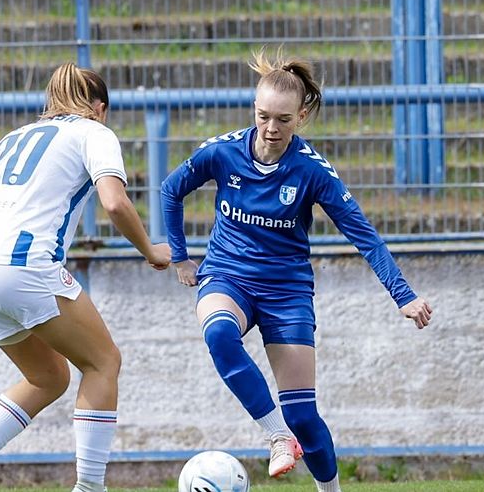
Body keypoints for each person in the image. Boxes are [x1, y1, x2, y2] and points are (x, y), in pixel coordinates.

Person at [160, 48, 433, 491]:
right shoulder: (222, 153)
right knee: (219, 334)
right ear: (254, 108)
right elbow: (171, 190)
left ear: (301, 117)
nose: (271, 128)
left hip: (286, 291)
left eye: (283, 120)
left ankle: (329, 487)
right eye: (263, 116)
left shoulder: (311, 170)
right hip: (227, 275)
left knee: (303, 415)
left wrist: (404, 295)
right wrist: (180, 256)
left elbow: (363, 234)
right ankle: (276, 436)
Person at [0, 62, 172, 492]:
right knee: (103, 362)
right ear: (99, 108)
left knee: (48, 377)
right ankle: (90, 487)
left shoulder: (12, 139)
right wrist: (152, 250)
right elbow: (115, 203)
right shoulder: (94, 132)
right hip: (22, 264)